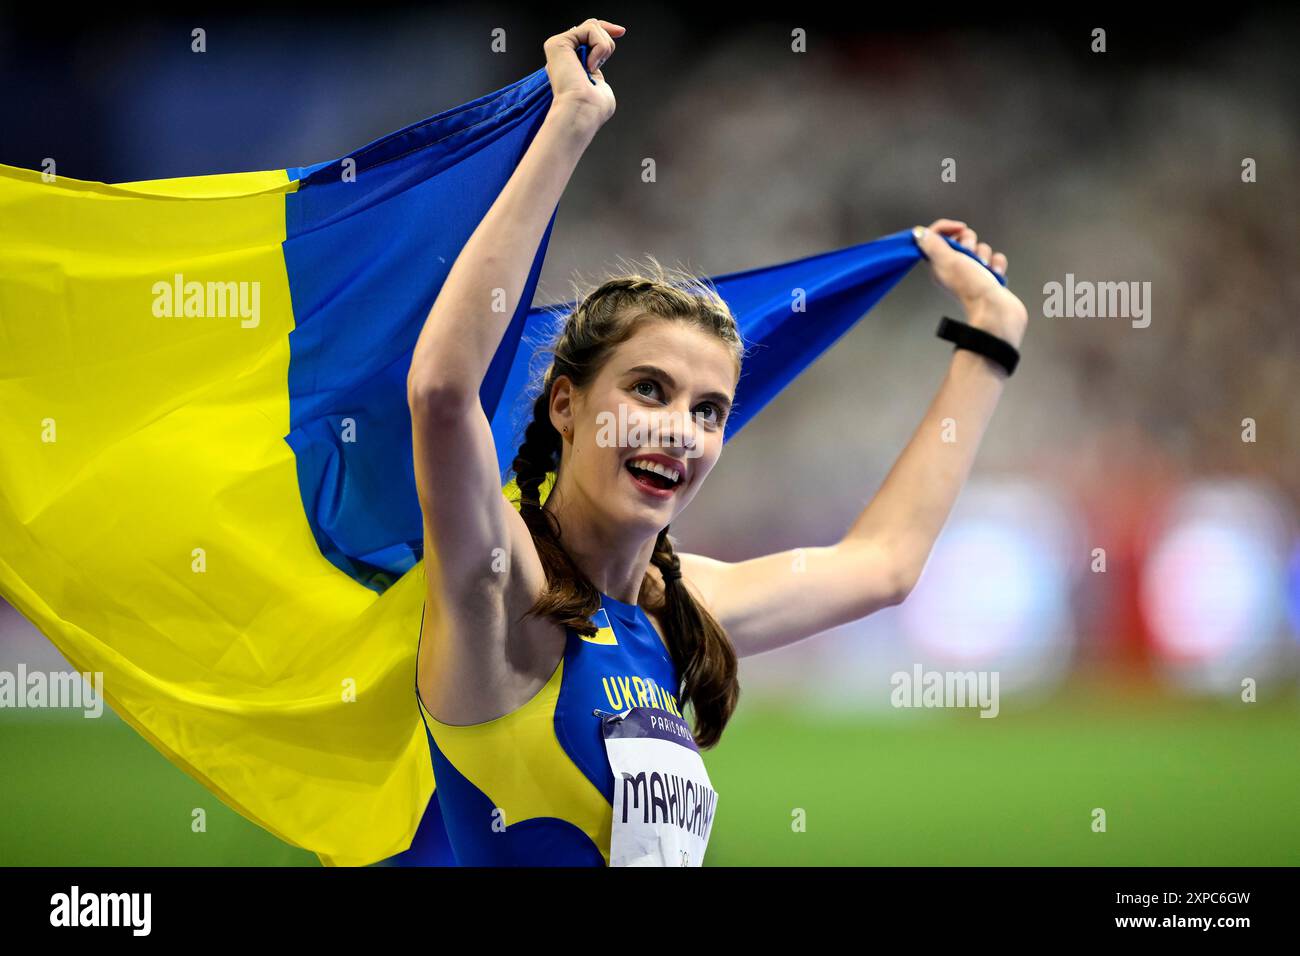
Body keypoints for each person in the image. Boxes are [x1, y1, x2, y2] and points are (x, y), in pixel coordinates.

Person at [406, 17, 1028, 866]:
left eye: (709, 411)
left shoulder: (677, 608)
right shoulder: (501, 587)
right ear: (564, 405)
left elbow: (884, 565)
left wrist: (988, 338)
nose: (680, 431)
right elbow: (443, 393)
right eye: (648, 390)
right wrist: (566, 130)